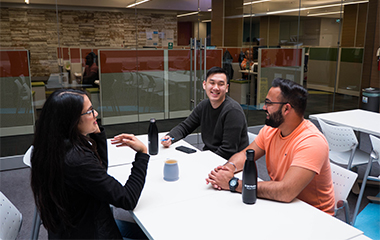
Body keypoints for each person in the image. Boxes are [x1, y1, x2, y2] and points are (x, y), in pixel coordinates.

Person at [30, 89, 149, 239]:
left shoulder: (52, 147)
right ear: (71, 120)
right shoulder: (77, 161)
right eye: (90, 111)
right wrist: (142, 154)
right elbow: (127, 199)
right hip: (91, 232)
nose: (96, 114)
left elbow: (99, 172)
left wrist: (97, 133)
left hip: (74, 229)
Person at [206, 78, 335, 215]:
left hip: (314, 216)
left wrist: (233, 183)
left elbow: (286, 191)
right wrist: (228, 169)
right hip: (283, 206)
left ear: (286, 108)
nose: (263, 107)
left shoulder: (311, 142)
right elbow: (245, 155)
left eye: (268, 103)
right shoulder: (272, 130)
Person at [161, 66, 249, 160]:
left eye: (221, 84)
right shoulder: (204, 105)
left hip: (231, 164)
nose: (215, 88)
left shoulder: (233, 111)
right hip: (211, 157)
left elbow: (227, 151)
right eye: (212, 83)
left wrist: (203, 161)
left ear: (226, 88)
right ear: (204, 85)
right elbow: (185, 127)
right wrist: (170, 137)